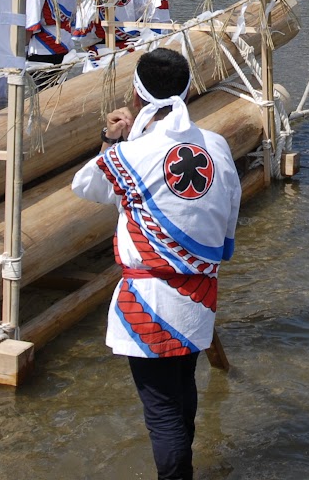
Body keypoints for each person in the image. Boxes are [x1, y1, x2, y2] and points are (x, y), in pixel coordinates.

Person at [71, 48, 241, 480]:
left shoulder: (131, 155)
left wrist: (113, 139)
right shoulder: (216, 146)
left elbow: (86, 185)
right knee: (183, 390)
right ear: (189, 89)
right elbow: (228, 220)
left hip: (149, 300)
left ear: (135, 94)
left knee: (161, 411)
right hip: (200, 295)